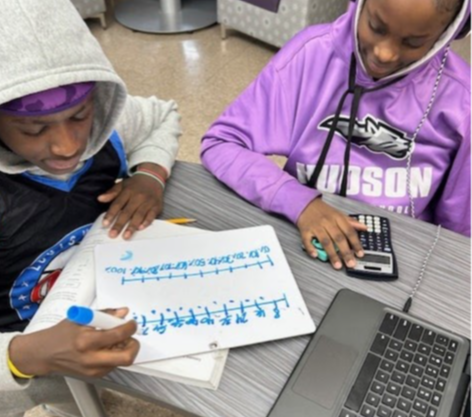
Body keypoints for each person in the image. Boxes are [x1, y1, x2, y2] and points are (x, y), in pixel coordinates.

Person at [0, 1, 181, 417]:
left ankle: (65, 405)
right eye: (33, 129)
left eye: (79, 115)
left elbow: (162, 115)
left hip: (83, 332)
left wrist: (150, 175)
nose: (68, 146)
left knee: (76, 396)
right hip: (5, 363)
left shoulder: (108, 129)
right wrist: (24, 356)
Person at [201, 0, 472, 270]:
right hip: (302, 237)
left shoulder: (462, 100)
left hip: (404, 261)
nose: (384, 53)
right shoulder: (311, 54)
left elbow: (460, 233)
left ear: (448, 33)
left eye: (413, 42)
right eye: (376, 27)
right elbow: (220, 143)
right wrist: (297, 201)